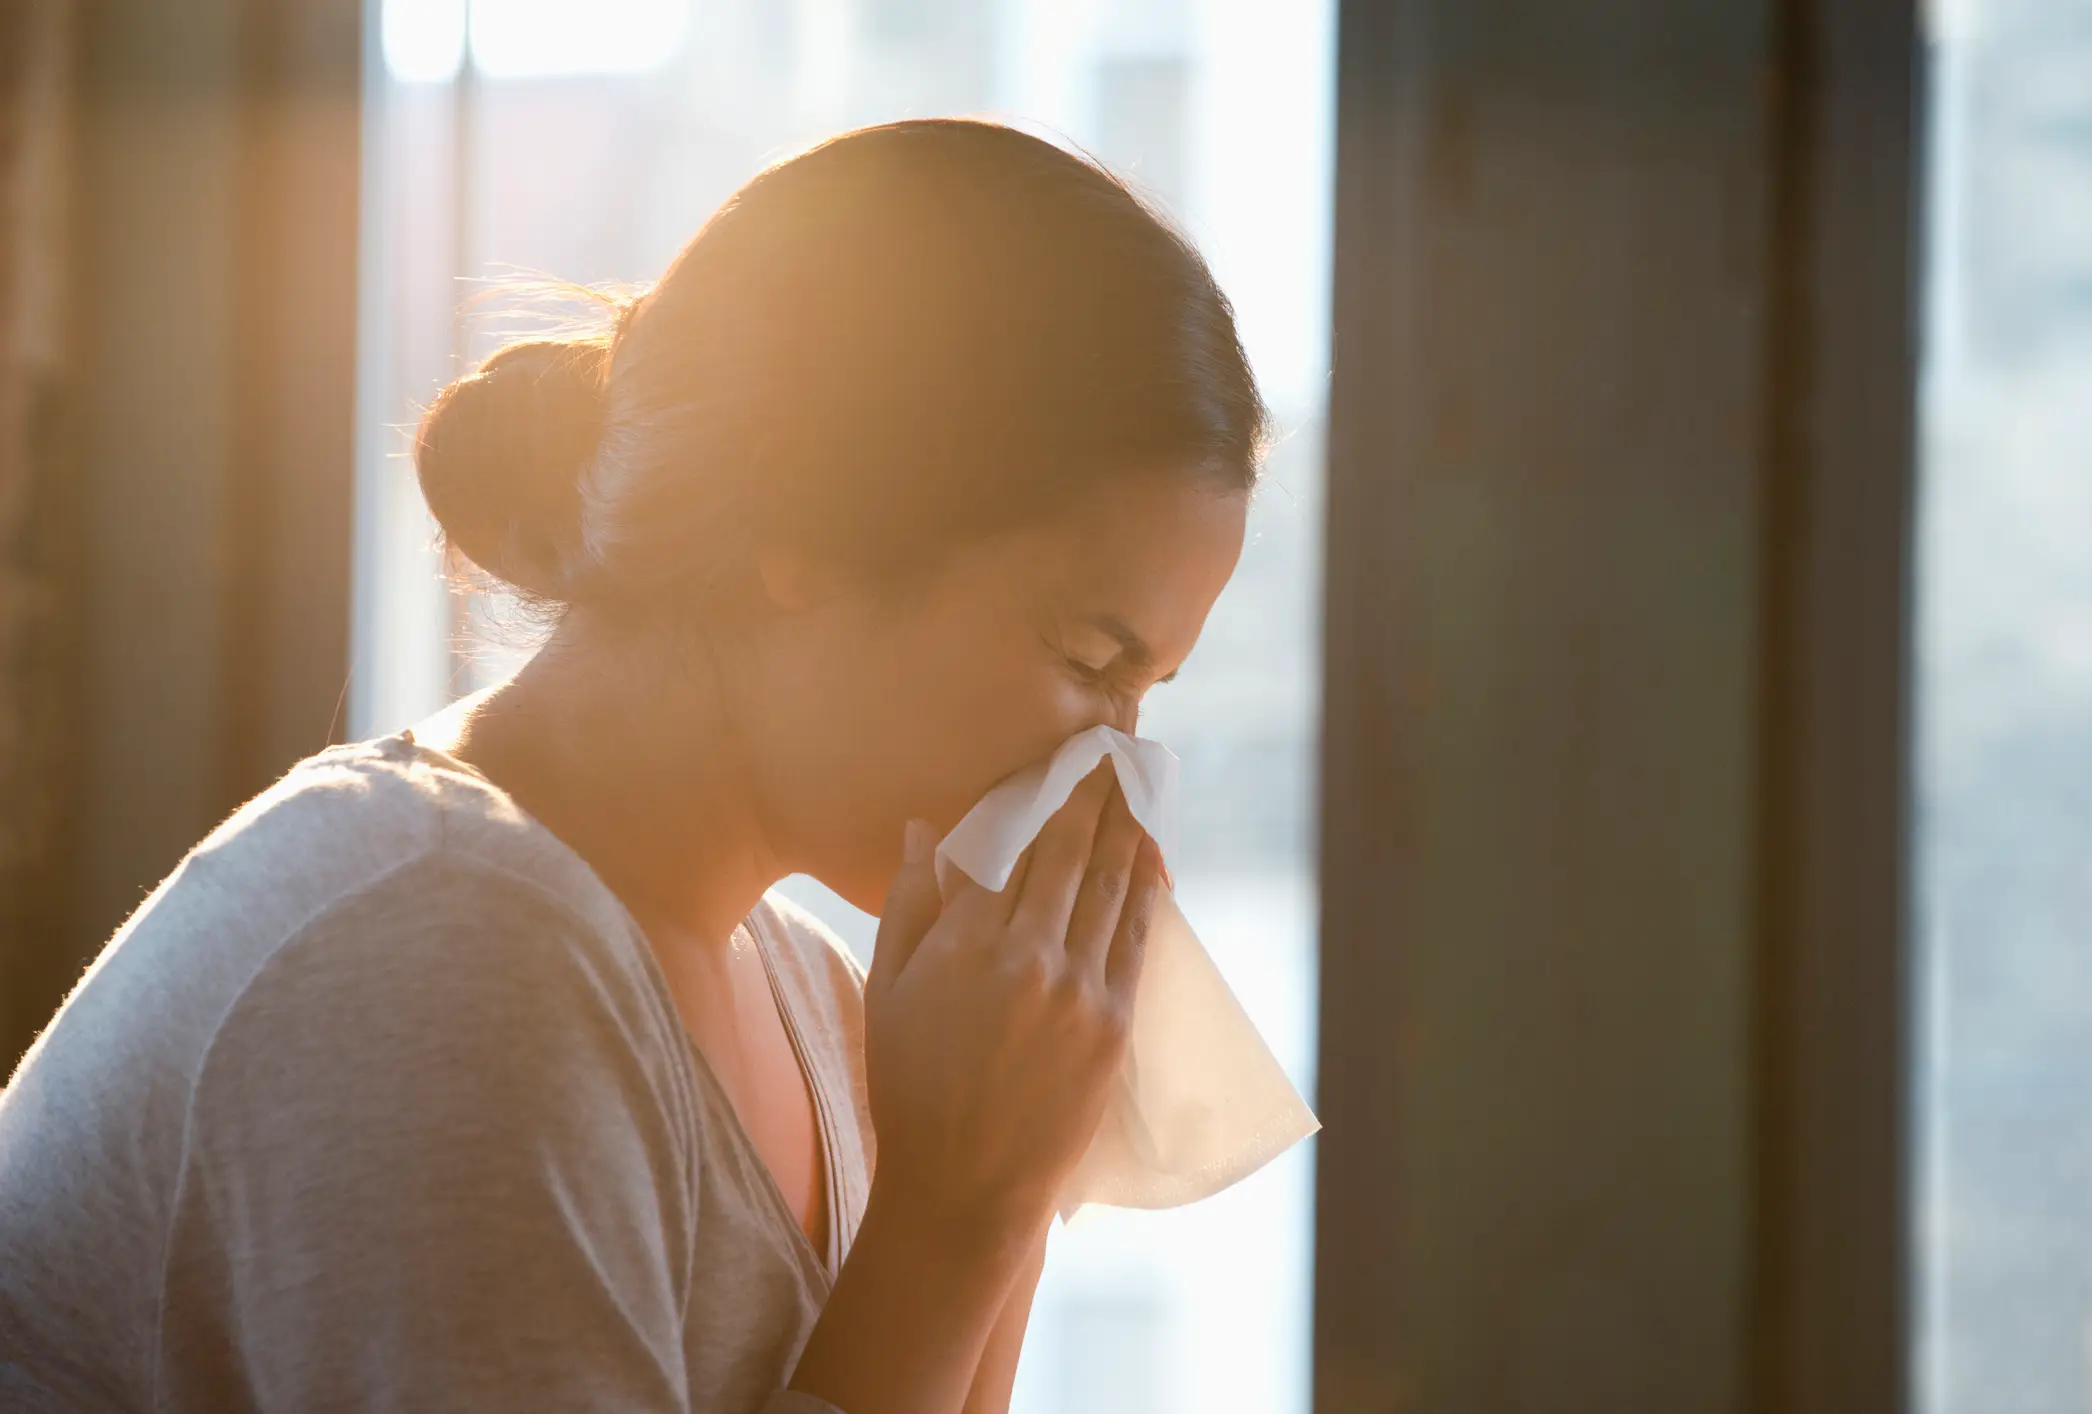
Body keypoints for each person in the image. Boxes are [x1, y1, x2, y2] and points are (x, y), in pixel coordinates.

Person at [0, 118, 1263, 1413]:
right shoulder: (444, 951)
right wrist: (954, 1216)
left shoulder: (826, 1008)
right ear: (812, 525)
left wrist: (1008, 1187)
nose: (1113, 765)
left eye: (1147, 694)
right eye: (1090, 656)